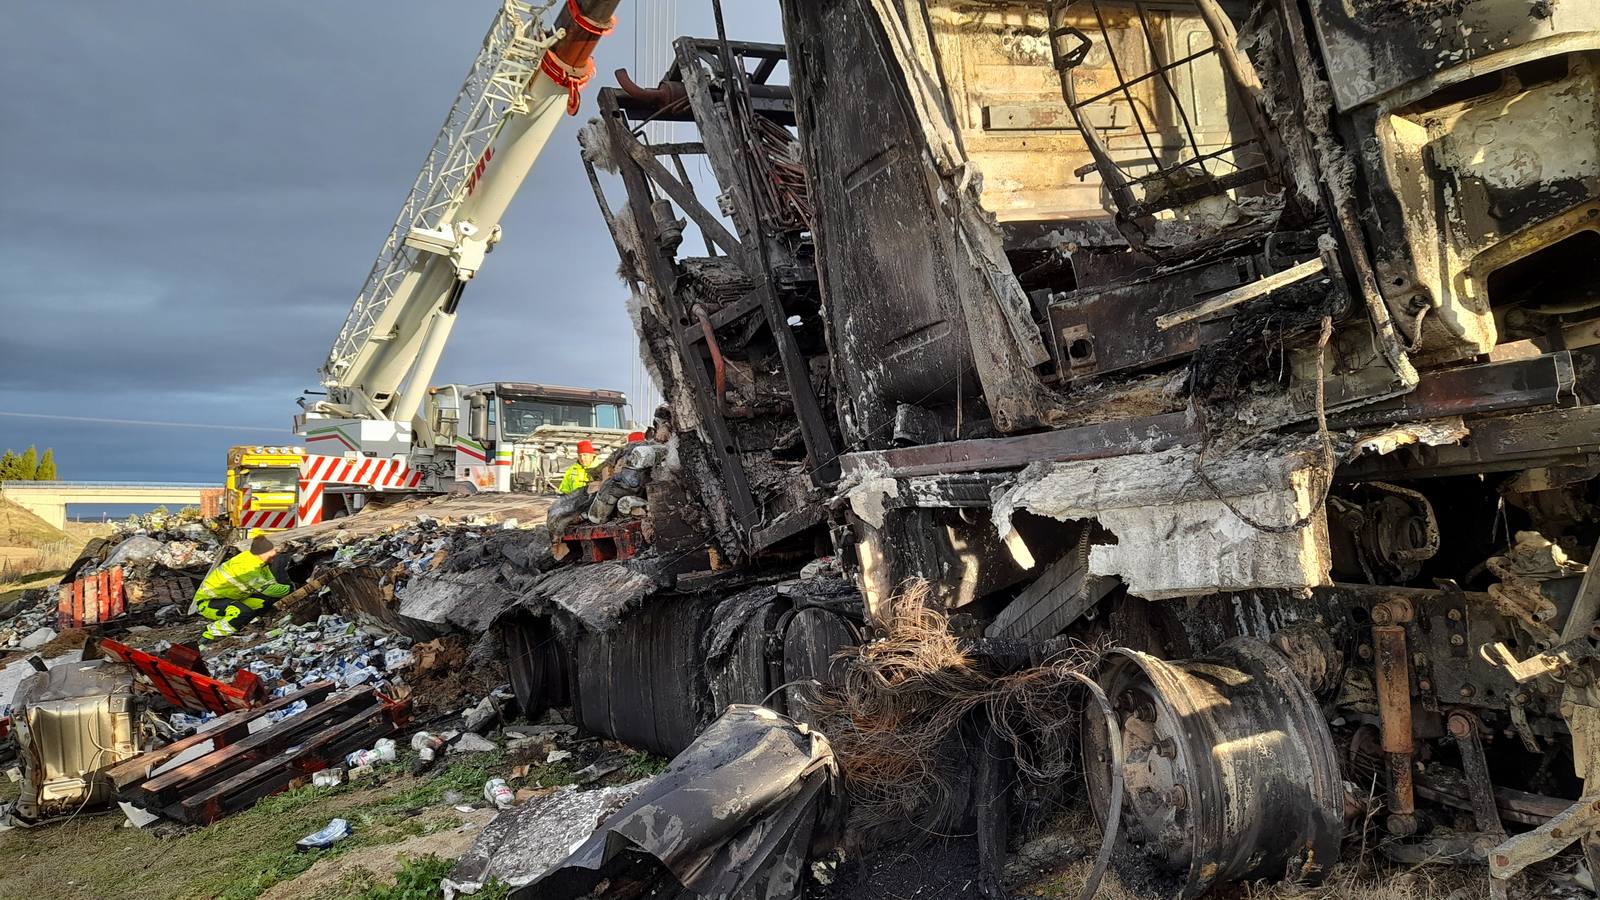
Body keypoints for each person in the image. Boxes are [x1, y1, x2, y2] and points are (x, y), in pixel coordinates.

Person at [195, 536, 294, 641]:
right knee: (241, 612)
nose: (274, 554)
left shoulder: (257, 561)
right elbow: (269, 589)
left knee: (264, 601)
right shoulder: (247, 567)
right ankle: (210, 634)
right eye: (271, 552)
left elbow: (271, 583)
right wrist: (294, 589)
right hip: (209, 602)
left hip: (234, 598)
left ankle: (248, 621)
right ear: (262, 553)